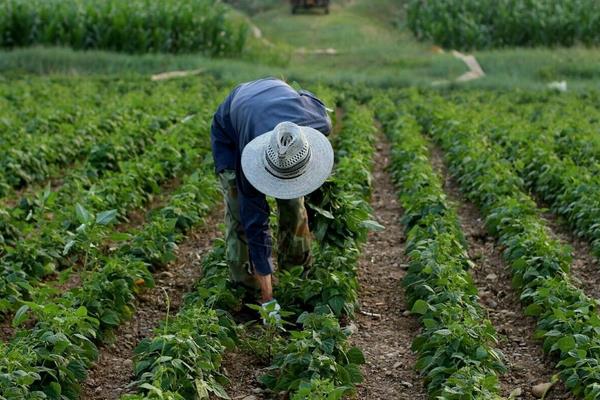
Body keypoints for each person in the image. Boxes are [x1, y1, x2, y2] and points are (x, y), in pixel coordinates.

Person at [210, 77, 333, 314]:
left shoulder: (318, 122)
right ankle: (247, 293)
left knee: (295, 207)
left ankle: (296, 280)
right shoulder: (249, 157)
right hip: (232, 133)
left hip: (273, 91)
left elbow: (310, 98)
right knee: (240, 219)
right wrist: (268, 299)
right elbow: (256, 223)